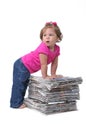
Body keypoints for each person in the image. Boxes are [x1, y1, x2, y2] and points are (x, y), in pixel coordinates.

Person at [10, 21, 63, 108]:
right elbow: (43, 64)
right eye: (44, 35)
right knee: (19, 84)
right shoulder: (43, 48)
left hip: (27, 67)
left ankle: (20, 101)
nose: (47, 37)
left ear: (58, 37)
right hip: (22, 65)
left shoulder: (57, 49)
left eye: (50, 35)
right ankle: (15, 104)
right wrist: (45, 76)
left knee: (24, 83)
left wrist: (53, 74)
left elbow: (54, 63)